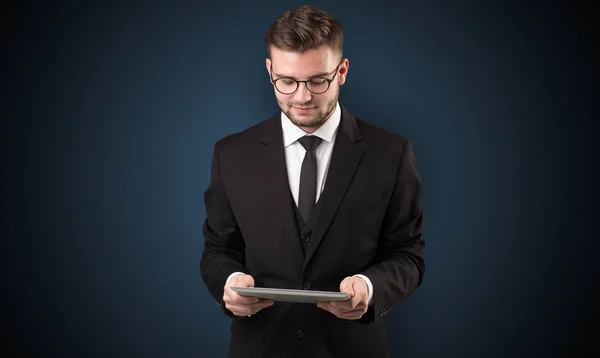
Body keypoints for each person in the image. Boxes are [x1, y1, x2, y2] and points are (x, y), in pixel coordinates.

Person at [200, 5, 425, 358]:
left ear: (343, 71)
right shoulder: (230, 154)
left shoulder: (392, 153)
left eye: (318, 80)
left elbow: (408, 254)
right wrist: (229, 283)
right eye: (287, 81)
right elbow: (218, 250)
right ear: (269, 70)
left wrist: (369, 287)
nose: (302, 97)